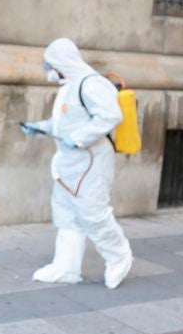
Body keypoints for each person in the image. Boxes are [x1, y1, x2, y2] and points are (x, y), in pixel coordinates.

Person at [20, 38, 133, 289]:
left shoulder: (92, 84)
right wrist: (41, 128)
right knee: (66, 215)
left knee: (93, 213)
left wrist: (79, 139)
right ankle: (66, 268)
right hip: (68, 163)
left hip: (91, 161)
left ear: (62, 62)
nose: (48, 70)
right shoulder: (69, 87)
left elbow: (111, 116)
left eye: (50, 64)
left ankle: (119, 257)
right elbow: (62, 124)